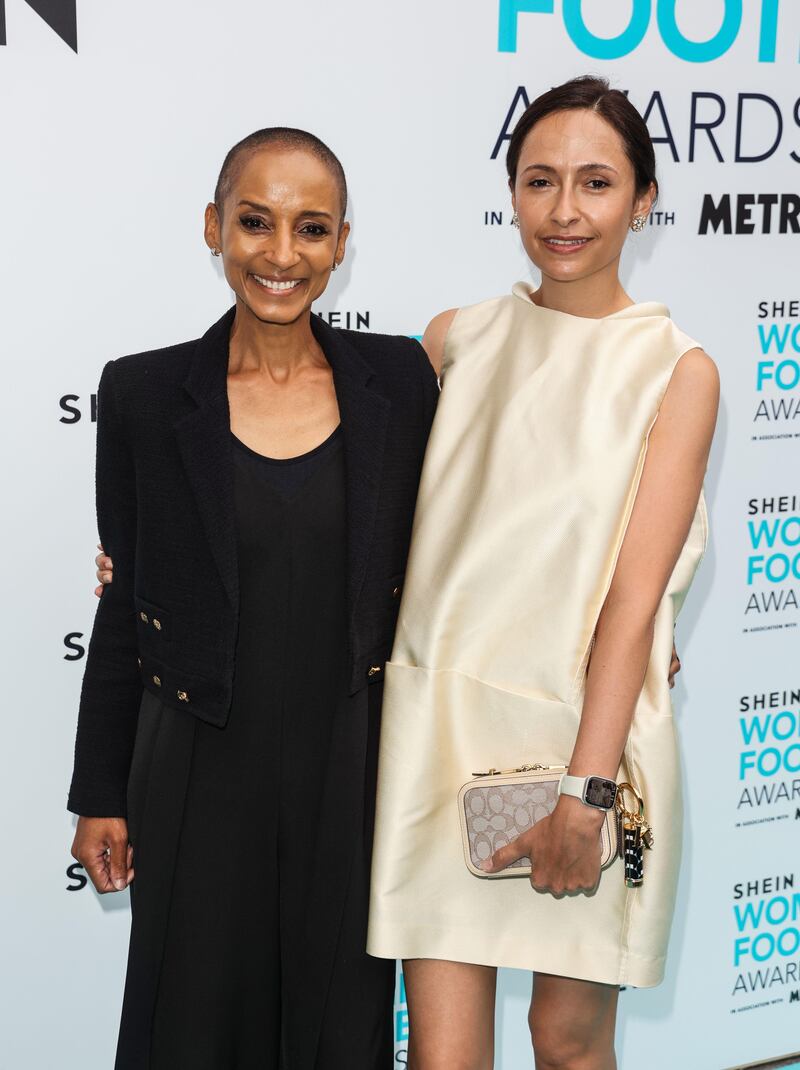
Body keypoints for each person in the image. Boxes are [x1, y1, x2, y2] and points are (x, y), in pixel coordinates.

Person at [67, 127, 439, 1070]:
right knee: (191, 1029)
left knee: (337, 1029)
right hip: (195, 759)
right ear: (213, 227)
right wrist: (99, 790)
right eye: (255, 222)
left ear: (343, 242)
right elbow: (126, 599)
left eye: (311, 229)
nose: (282, 255)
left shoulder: (400, 381)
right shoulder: (146, 394)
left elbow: (476, 533)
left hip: (352, 764)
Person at [367, 76, 719, 1069]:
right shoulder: (453, 339)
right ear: (510, 192)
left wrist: (586, 790)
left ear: (642, 200)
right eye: (539, 181)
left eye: (596, 183)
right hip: (438, 730)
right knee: (441, 1056)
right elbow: (344, 500)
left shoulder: (674, 368)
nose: (563, 210)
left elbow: (631, 598)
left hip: (585, 737)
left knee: (565, 1042)